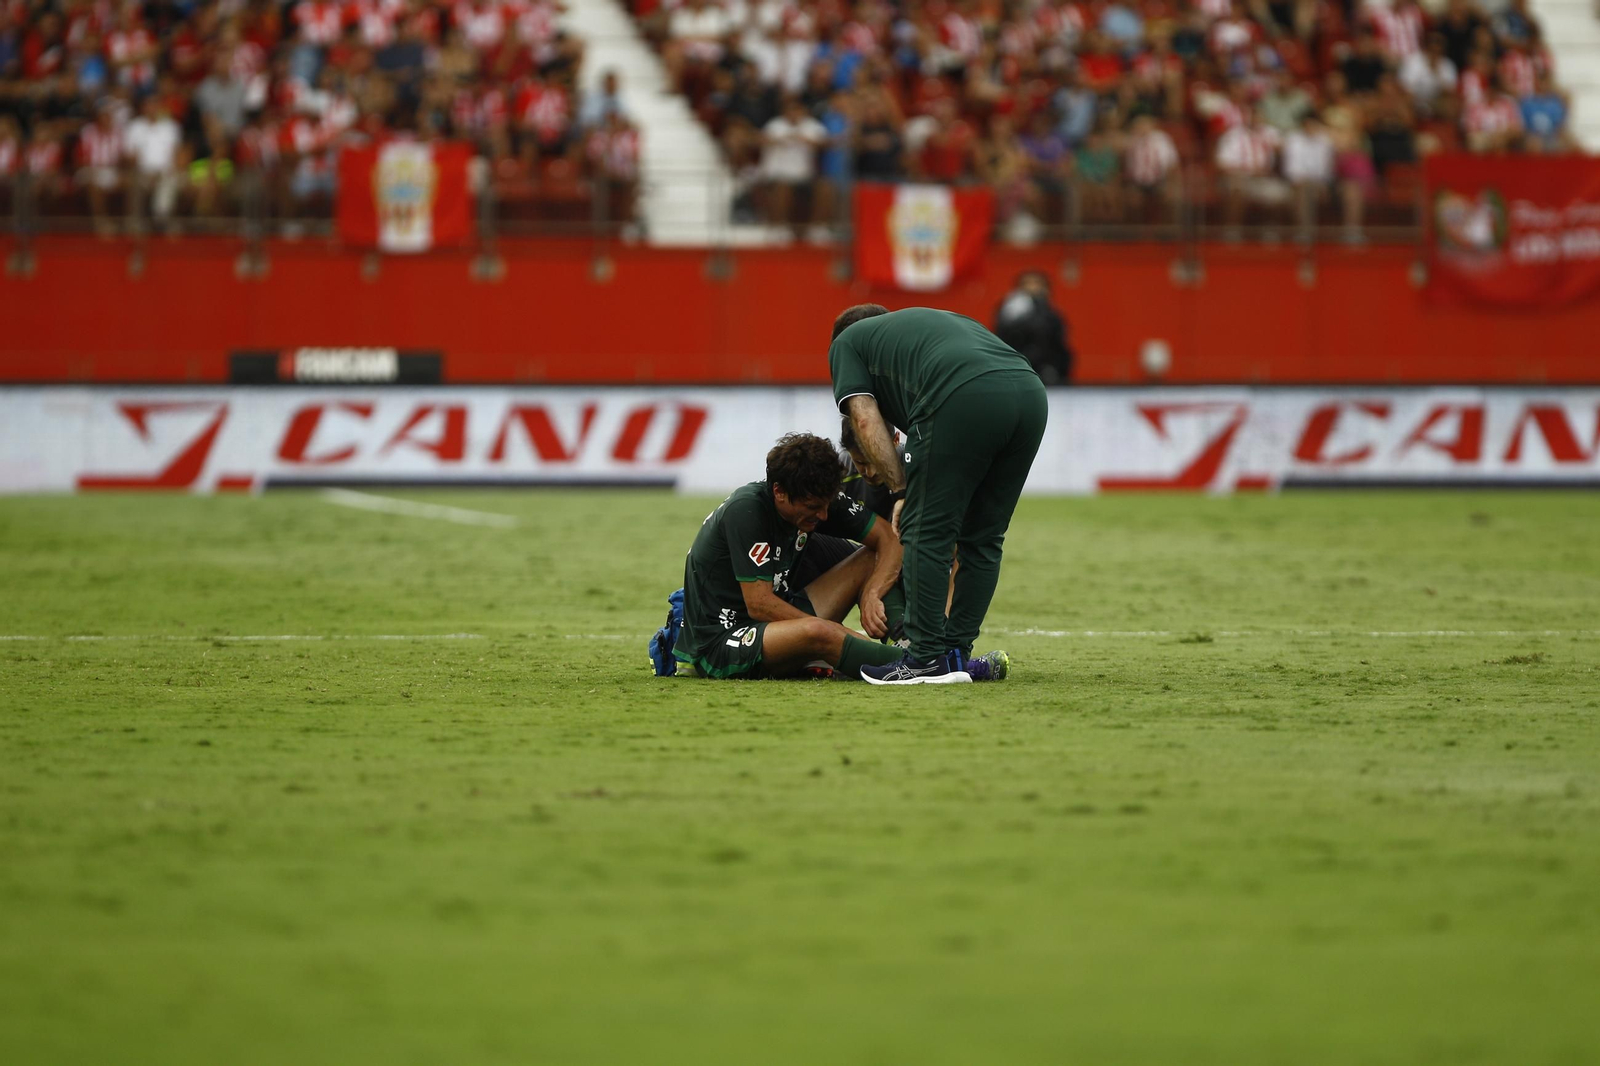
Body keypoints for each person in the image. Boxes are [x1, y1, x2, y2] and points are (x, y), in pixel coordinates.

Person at [830, 306, 1045, 684]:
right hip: (1030, 393)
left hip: (962, 394)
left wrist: (900, 489)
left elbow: (863, 418)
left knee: (924, 528)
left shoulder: (848, 342)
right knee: (983, 537)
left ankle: (925, 658)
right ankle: (955, 653)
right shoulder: (923, 328)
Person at [650, 433, 913, 681]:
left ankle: (906, 643)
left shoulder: (815, 496)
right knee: (820, 632)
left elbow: (888, 538)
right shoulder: (747, 510)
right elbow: (759, 604)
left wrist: (872, 593)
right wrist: (838, 633)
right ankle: (911, 664)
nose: (822, 515)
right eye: (812, 508)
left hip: (778, 620)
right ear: (779, 492)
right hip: (723, 641)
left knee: (870, 558)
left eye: (826, 505)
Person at [993, 270, 1074, 385]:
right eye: (1027, 284)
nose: (1032, 288)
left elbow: (1059, 347)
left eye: (1037, 284)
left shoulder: (1053, 317)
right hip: (1015, 371)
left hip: (1046, 374)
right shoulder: (1008, 313)